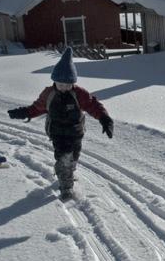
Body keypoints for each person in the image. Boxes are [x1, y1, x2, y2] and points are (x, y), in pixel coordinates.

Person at [8, 47, 113, 200]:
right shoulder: (48, 93)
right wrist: (23, 112)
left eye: (68, 84)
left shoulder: (79, 93)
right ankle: (66, 187)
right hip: (57, 132)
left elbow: (93, 105)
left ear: (73, 83)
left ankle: (68, 171)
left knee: (74, 156)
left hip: (76, 131)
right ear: (54, 81)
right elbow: (37, 108)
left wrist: (104, 119)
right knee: (64, 158)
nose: (64, 88)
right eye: (60, 84)